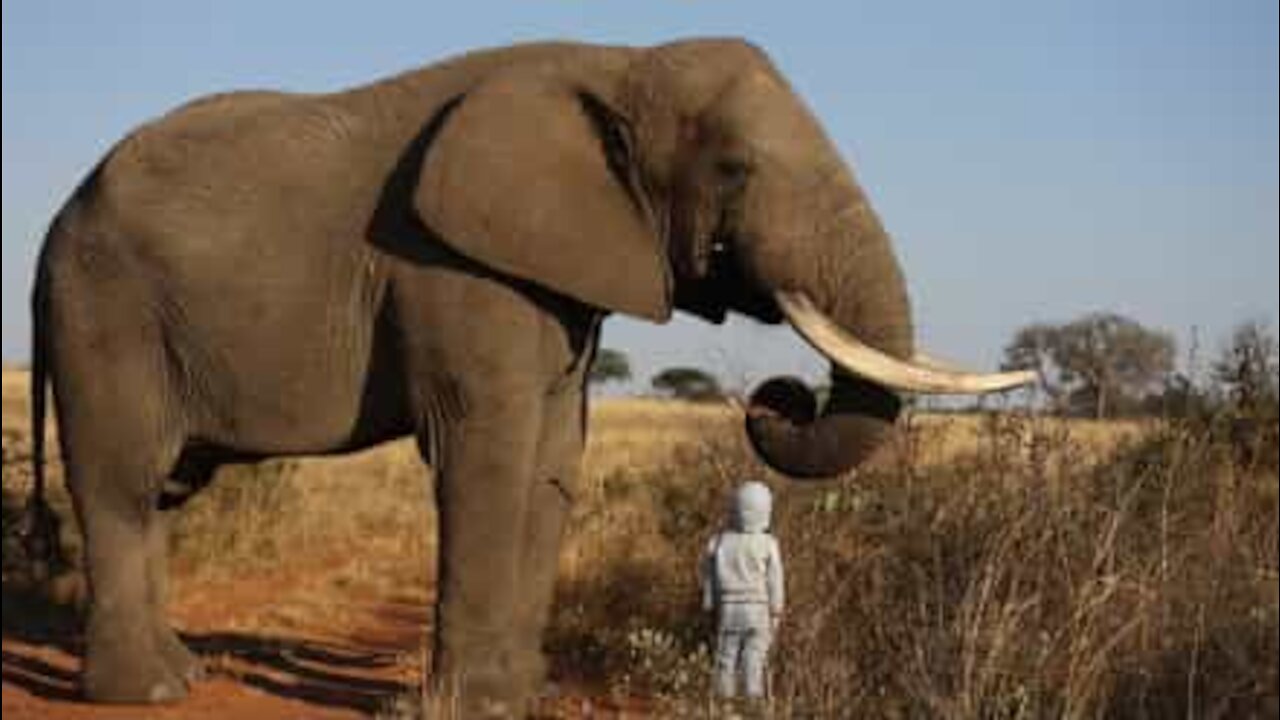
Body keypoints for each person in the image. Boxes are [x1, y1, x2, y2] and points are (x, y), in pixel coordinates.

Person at [701, 480, 785, 701]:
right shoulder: (768, 544)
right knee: (754, 659)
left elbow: (709, 583)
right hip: (759, 611)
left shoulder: (717, 542)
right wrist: (777, 611)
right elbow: (775, 582)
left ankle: (724, 706)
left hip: (728, 610)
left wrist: (709, 607)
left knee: (725, 659)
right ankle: (752, 704)